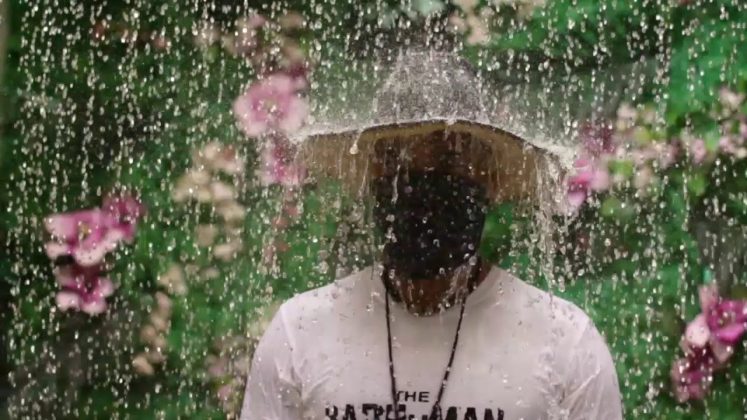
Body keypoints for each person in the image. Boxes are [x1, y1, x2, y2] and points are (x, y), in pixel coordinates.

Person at [240, 51, 622, 420]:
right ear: (373, 175)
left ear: (489, 178)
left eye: (449, 158)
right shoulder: (300, 332)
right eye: (397, 159)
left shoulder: (565, 342)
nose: (421, 181)